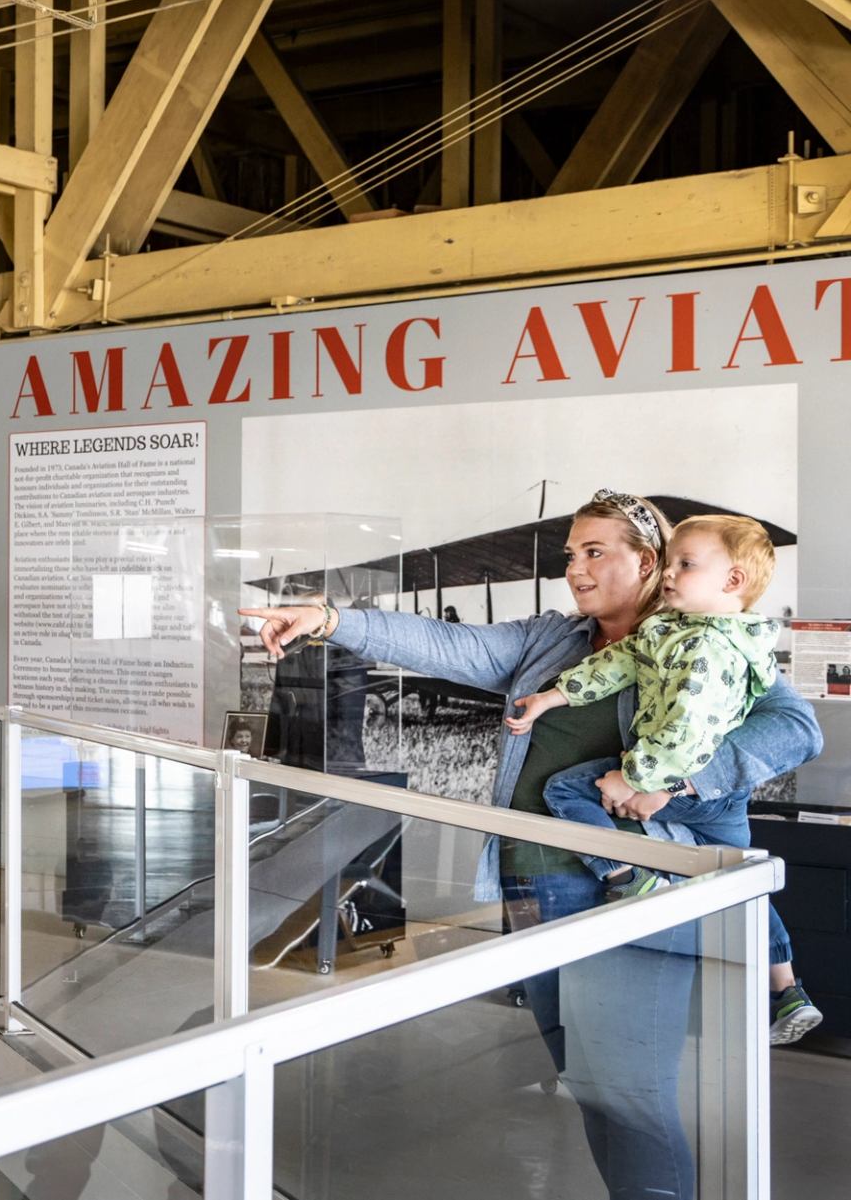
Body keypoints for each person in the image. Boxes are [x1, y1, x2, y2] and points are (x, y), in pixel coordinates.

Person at [242, 489, 823, 1200]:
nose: (574, 569)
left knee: (630, 1094)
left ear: (648, 561)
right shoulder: (555, 641)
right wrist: (332, 619)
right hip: (531, 889)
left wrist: (678, 783)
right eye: (571, 554)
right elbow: (445, 644)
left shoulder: (706, 641)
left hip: (627, 896)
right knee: (590, 1086)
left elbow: (796, 728)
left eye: (594, 552)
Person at [506, 515, 779, 899]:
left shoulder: (707, 649)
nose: (668, 574)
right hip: (703, 786)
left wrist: (634, 780)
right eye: (669, 563)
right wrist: (552, 696)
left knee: (564, 791)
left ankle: (626, 877)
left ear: (733, 581)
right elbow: (618, 662)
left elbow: (685, 732)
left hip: (685, 778)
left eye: (685, 565)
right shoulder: (674, 631)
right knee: (745, 885)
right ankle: (779, 959)